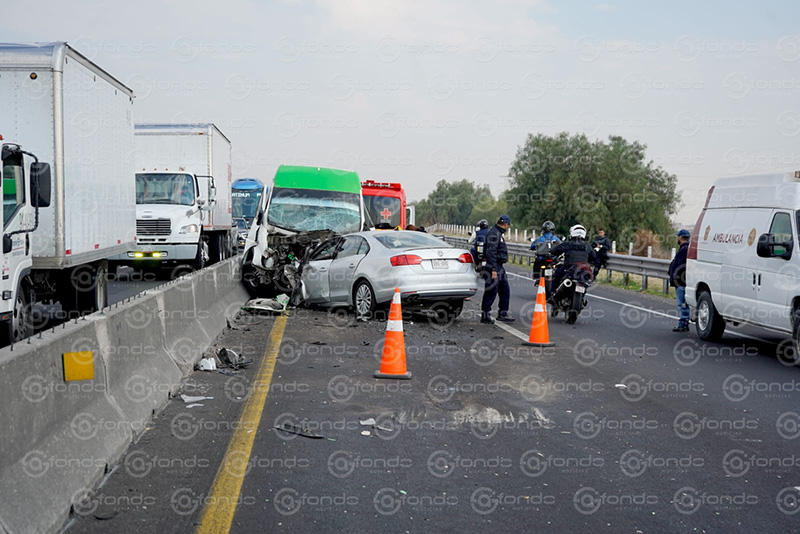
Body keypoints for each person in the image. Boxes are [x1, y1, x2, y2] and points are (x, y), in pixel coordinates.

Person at [480, 215, 515, 324]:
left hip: (499, 266)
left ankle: (503, 313)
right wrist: (493, 269)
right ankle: (485, 315)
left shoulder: (498, 233)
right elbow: (491, 253)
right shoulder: (494, 233)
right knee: (491, 290)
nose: (508, 227)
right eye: (508, 225)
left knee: (505, 290)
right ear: (506, 224)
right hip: (494, 266)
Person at [549, 224, 596, 300]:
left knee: (556, 275)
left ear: (572, 232)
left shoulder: (568, 243)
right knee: (587, 280)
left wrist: (551, 253)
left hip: (569, 268)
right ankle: (581, 297)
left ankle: (552, 295)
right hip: (583, 270)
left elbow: (555, 250)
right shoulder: (587, 245)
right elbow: (594, 257)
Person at [669, 229, 691, 332]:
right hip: (683, 281)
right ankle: (684, 322)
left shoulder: (684, 250)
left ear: (681, 237)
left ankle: (683, 323)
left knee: (682, 304)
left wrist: (676, 278)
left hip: (681, 282)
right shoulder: (687, 248)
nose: (677, 238)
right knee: (683, 303)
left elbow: (681, 267)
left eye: (678, 237)